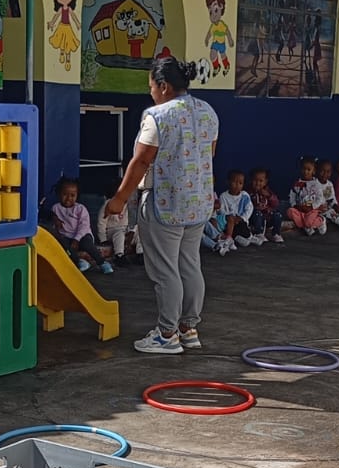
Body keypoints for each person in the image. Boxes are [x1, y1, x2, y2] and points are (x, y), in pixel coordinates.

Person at [104, 53, 219, 355]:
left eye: (151, 87)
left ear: (164, 86)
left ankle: (167, 334)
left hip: (164, 204)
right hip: (198, 203)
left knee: (166, 271)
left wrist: (119, 199)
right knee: (190, 265)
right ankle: (188, 329)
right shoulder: (207, 112)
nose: (151, 92)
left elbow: (141, 161)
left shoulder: (157, 116)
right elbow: (209, 154)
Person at [51, 177, 112, 274]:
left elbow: (84, 226)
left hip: (82, 235)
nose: (68, 198)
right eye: (65, 194)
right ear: (59, 194)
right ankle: (79, 262)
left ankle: (102, 262)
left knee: (88, 245)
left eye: (72, 195)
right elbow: (53, 223)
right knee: (64, 247)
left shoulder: (80, 209)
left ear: (77, 196)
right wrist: (55, 220)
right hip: (66, 236)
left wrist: (76, 239)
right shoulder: (55, 208)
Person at [218, 170, 255, 248]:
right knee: (230, 229)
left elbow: (249, 208)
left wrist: (242, 218)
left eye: (240, 183)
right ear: (228, 182)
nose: (237, 185)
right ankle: (238, 238)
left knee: (243, 227)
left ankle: (245, 237)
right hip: (229, 223)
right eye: (234, 182)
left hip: (241, 221)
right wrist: (231, 218)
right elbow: (222, 210)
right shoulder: (223, 196)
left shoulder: (244, 195)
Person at [249, 167, 284, 243]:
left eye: (261, 181)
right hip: (255, 217)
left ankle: (276, 234)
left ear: (265, 182)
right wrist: (255, 207)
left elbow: (276, 203)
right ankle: (259, 234)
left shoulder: (268, 191)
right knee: (257, 214)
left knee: (278, 215)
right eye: (255, 180)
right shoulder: (249, 193)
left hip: (267, 216)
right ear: (251, 180)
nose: (258, 183)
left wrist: (269, 196)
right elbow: (246, 206)